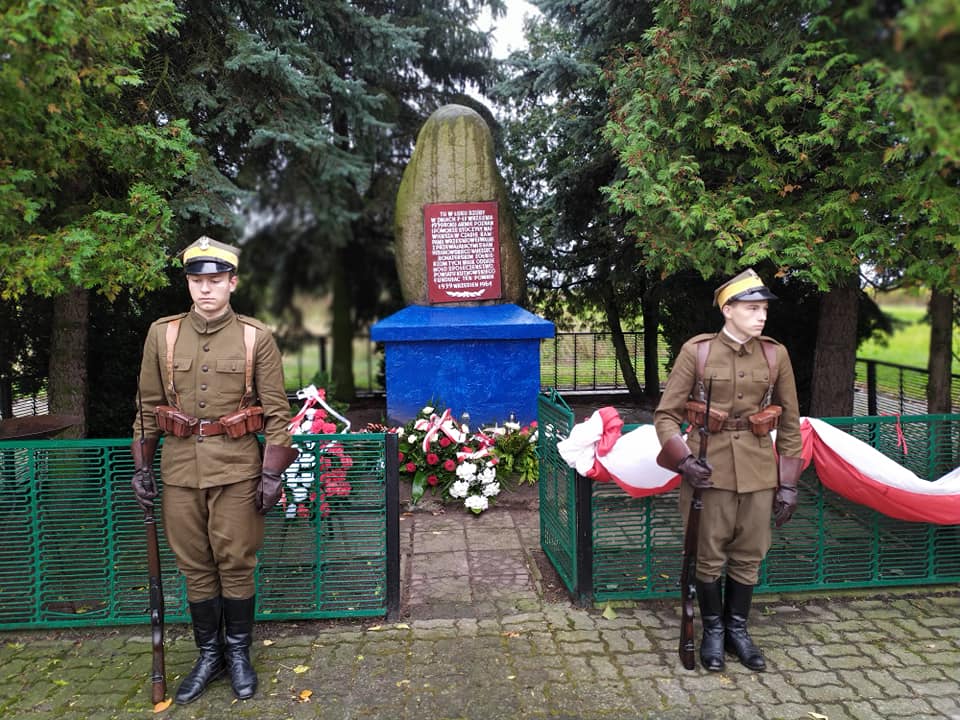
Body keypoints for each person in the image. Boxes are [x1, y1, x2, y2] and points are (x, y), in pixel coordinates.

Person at [130, 236, 298, 703]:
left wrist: (271, 474)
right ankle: (209, 655)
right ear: (188, 283)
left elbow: (277, 413)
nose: (206, 289)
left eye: (216, 280)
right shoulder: (162, 334)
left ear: (232, 283)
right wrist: (142, 467)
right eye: (197, 281)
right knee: (195, 567)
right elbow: (147, 408)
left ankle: (238, 653)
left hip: (237, 469)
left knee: (236, 563)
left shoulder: (254, 337)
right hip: (179, 471)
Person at [654, 268, 804, 673]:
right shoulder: (698, 352)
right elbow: (665, 415)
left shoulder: (775, 354)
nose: (762, 316)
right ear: (727, 310)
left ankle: (738, 630)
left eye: (764, 309)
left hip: (759, 470)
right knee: (708, 555)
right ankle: (713, 632)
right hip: (709, 469)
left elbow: (791, 422)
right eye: (752, 309)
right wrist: (684, 461)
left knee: (749, 554)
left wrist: (788, 483)